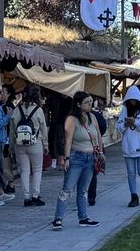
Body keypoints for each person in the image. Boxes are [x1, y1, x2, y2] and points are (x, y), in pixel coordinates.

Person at [53, 90, 103, 229]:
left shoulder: (92, 117)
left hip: (90, 157)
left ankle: (83, 217)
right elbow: (68, 140)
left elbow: (98, 135)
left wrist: (100, 152)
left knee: (83, 190)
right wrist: (66, 158)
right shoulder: (71, 119)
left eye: (90, 102)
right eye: (87, 102)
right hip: (76, 157)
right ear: (79, 104)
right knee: (67, 189)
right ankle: (58, 218)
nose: (89, 105)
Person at [9, 86, 48, 207]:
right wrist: (46, 145)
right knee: (37, 170)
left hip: (19, 144)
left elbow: (11, 130)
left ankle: (26, 197)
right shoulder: (38, 110)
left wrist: (11, 145)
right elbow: (43, 129)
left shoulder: (16, 110)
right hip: (35, 143)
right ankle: (35, 196)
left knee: (24, 171)